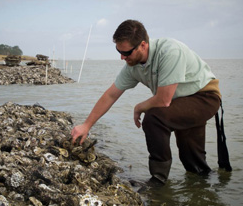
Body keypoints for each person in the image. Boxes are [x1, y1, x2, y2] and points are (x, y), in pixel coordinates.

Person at [71, 19, 223, 185]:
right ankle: (208, 186)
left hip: (204, 97)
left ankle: (158, 179)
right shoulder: (133, 66)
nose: (122, 57)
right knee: (193, 163)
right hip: (179, 101)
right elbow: (111, 95)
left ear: (143, 45)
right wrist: (86, 125)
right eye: (118, 51)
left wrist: (139, 107)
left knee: (154, 117)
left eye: (127, 52)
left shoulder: (170, 52)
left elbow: (164, 100)